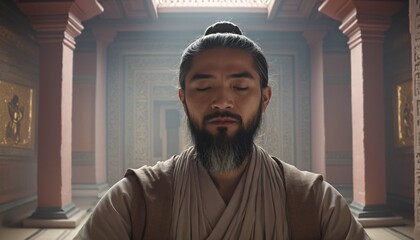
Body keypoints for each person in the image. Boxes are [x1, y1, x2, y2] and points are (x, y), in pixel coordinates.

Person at [75, 21, 369, 240]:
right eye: (204, 87)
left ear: (265, 98)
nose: (222, 102)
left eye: (240, 87)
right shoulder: (133, 200)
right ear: (183, 99)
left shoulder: (314, 201)